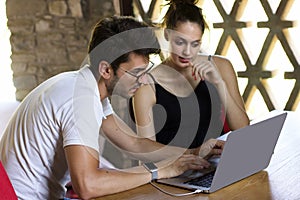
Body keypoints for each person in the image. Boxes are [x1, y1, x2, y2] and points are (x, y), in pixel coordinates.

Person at [0, 16, 224, 199]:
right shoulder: (80, 99)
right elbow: (88, 185)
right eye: (137, 73)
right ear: (106, 70)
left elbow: (134, 143)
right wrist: (160, 171)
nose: (145, 81)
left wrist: (192, 153)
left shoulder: (87, 88)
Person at [130, 0, 249, 149]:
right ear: (167, 35)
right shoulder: (147, 85)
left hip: (219, 162)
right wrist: (197, 153)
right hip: (176, 169)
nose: (187, 52)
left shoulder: (221, 67)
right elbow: (147, 155)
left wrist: (219, 84)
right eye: (180, 42)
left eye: (195, 44)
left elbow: (243, 129)